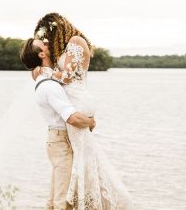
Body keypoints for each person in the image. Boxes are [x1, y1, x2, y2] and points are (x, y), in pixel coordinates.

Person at [31, 13, 134, 210]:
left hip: (77, 100)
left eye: (48, 37)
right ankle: (80, 201)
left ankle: (87, 201)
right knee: (80, 158)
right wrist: (39, 70)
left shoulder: (76, 41)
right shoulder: (66, 46)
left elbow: (68, 77)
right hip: (70, 100)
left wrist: (46, 72)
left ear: (56, 30)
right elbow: (58, 73)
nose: (48, 41)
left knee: (80, 159)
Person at [20, 38, 96, 210]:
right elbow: (72, 118)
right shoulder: (49, 86)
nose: (48, 43)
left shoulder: (46, 77)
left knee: (55, 197)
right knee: (63, 199)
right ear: (41, 54)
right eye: (44, 44)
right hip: (60, 140)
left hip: (58, 139)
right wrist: (90, 121)